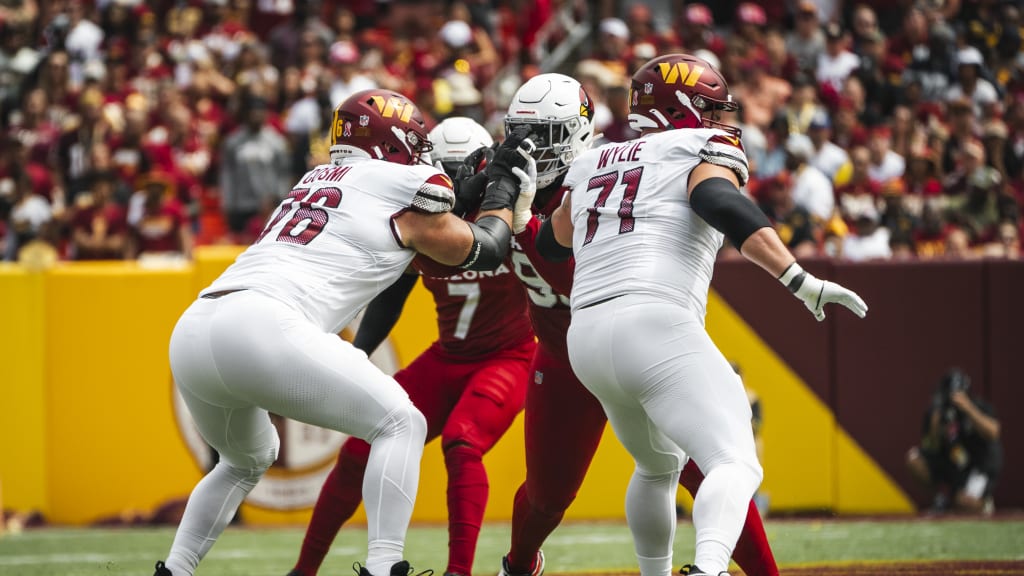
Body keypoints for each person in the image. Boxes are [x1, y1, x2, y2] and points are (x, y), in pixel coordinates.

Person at [153, 89, 534, 576]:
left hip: (197, 327)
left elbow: (410, 217)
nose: (424, 156)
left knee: (247, 458)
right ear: (395, 143)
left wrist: (477, 184)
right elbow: (483, 248)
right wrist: (500, 186)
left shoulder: (315, 178)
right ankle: (383, 567)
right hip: (264, 324)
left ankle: (176, 569)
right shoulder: (408, 180)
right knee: (402, 423)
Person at [538, 54, 868, 576]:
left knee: (657, 465)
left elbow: (550, 244)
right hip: (651, 318)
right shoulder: (697, 146)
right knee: (735, 460)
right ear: (683, 108)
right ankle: (709, 569)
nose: (719, 121)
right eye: (711, 109)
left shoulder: (592, 161)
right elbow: (719, 200)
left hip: (587, 336)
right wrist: (799, 279)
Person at [495, 73, 782, 576]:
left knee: (698, 464)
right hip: (563, 358)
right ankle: (519, 565)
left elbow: (577, 274)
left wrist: (521, 225)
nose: (531, 148)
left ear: (579, 135)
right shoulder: (501, 180)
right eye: (522, 133)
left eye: (546, 135)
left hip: (605, 327)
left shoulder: (592, 173)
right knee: (548, 495)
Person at [284, 117, 536, 576]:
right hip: (449, 356)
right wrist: (358, 353)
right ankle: (303, 571)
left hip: (508, 357)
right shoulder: (424, 216)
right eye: (447, 169)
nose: (458, 179)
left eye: (465, 169)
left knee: (463, 442)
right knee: (363, 443)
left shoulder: (509, 211)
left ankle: (459, 571)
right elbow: (390, 299)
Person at [906, 368, 1002, 515]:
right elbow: (930, 447)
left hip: (979, 465)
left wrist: (968, 408)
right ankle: (940, 498)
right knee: (914, 459)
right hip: (953, 462)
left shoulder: (978, 406)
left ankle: (984, 504)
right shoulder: (938, 411)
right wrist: (935, 425)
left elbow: (993, 432)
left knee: (963, 504)